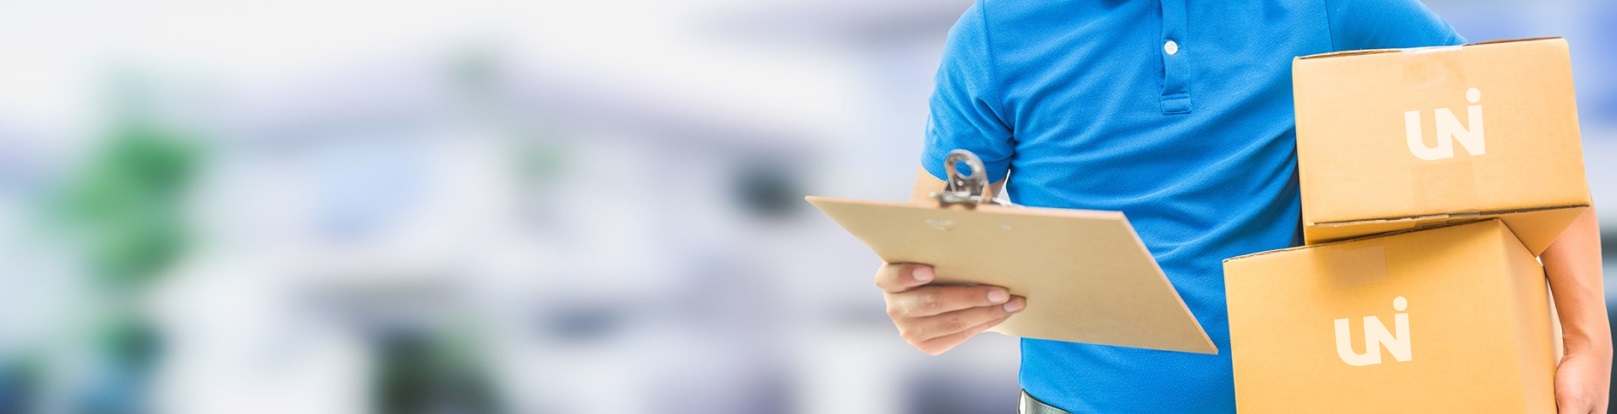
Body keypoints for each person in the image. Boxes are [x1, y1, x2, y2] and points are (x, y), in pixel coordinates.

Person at [873, 0, 1612, 412]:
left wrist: (1587, 345)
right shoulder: (995, 34)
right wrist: (926, 292)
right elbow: (950, 212)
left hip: (1307, 398)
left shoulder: (1332, 8)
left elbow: (1519, 134)